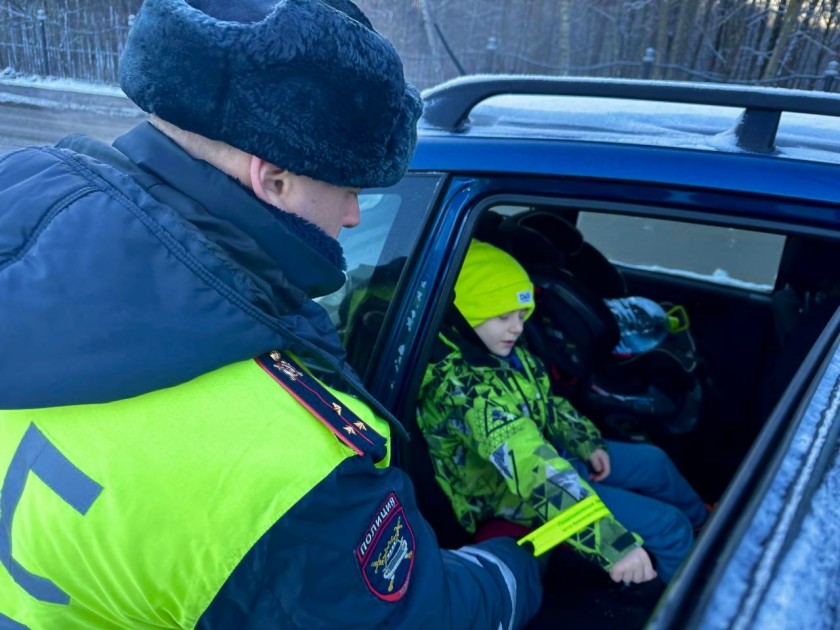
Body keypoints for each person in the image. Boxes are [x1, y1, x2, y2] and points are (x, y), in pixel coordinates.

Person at [0, 2, 543, 628]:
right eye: (349, 189)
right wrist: (512, 567)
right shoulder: (283, 469)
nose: (353, 218)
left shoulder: (25, 215)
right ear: (274, 180)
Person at [418, 239, 710, 587]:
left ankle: (706, 528)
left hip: (548, 456)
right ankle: (698, 607)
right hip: (508, 494)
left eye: (522, 315)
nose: (518, 327)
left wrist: (585, 441)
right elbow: (533, 469)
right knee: (667, 525)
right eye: (503, 317)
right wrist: (612, 544)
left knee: (654, 461)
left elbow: (548, 403)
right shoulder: (467, 394)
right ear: (465, 315)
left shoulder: (502, 352)